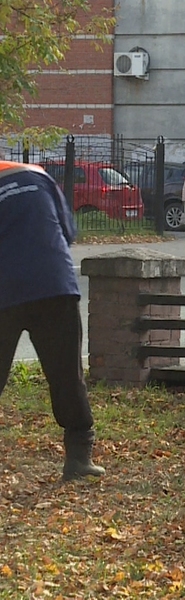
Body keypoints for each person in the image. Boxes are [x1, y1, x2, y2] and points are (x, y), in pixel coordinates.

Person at [0, 159, 105, 481]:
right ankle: (78, 459)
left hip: (5, 291)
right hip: (55, 284)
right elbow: (68, 230)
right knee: (65, 375)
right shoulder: (37, 175)